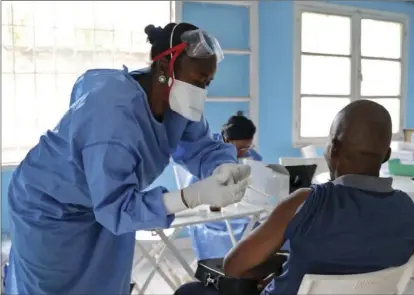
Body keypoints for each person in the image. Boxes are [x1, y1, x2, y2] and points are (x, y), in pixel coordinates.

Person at [5, 22, 252, 295]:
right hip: (51, 208)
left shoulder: (176, 102)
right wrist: (189, 197)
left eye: (207, 82)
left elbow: (202, 146)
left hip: (105, 208)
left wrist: (224, 165)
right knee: (52, 288)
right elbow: (116, 208)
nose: (202, 90)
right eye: (197, 80)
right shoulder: (113, 115)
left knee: (107, 285)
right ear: (164, 67)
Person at [175, 100, 414, 295]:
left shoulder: (305, 203)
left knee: (190, 291)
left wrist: (279, 270)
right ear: (387, 154)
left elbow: (234, 266)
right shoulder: (409, 212)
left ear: (333, 148)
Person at [186, 112, 262, 260]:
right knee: (251, 226)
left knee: (267, 223)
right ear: (226, 141)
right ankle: (237, 264)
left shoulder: (249, 155)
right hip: (216, 214)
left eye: (248, 147)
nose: (244, 152)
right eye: (240, 149)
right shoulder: (208, 156)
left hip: (241, 208)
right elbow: (196, 194)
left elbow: (259, 177)